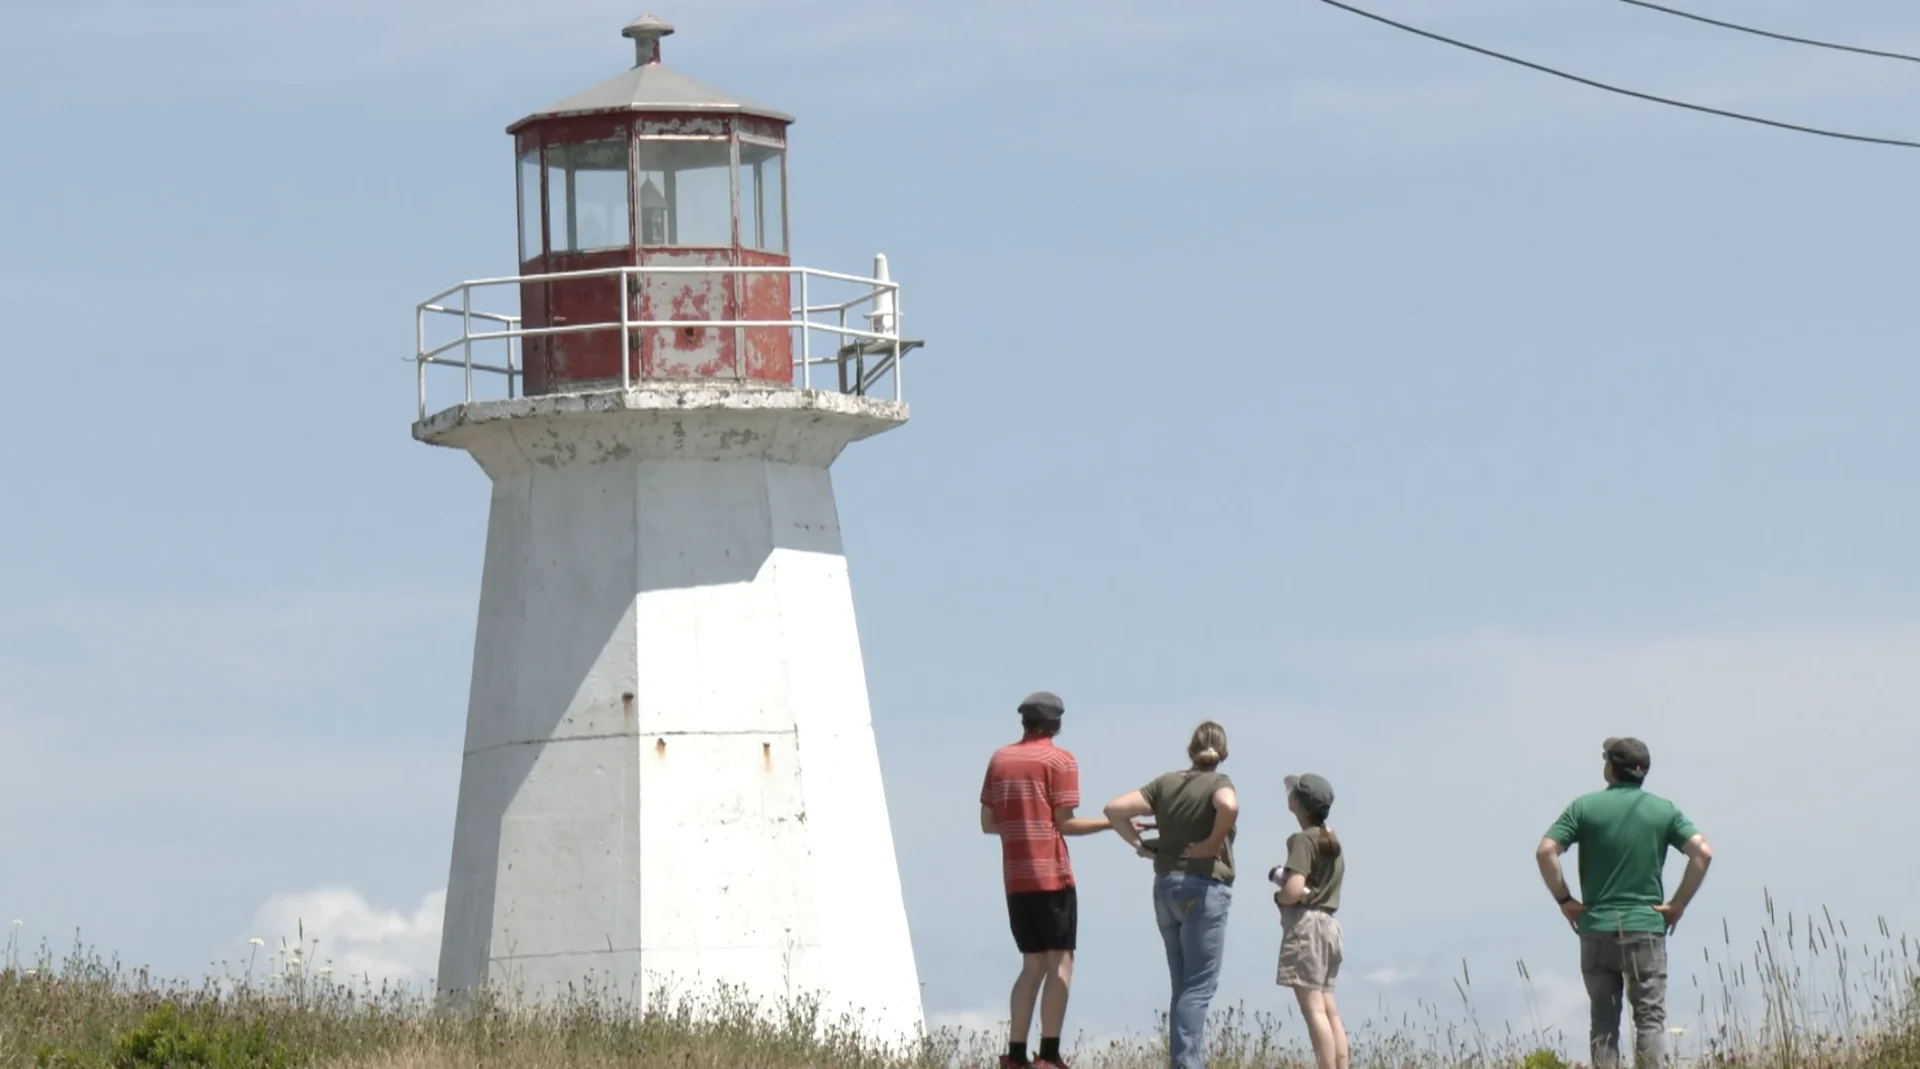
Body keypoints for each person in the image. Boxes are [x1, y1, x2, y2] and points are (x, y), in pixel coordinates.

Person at [1536, 736, 1713, 1069]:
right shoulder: (1664, 810)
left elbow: (1546, 851)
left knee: (1604, 1022)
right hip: (1646, 926)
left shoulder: (1583, 808)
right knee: (1649, 1019)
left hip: (1596, 926)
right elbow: (1702, 852)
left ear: (1610, 769)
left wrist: (1565, 900)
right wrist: (1677, 905)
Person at [980, 691, 1111, 1069]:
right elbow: (1065, 822)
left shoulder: (1000, 759)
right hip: (1051, 875)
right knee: (1061, 964)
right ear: (1056, 724)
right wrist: (1111, 825)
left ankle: (1015, 1054)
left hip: (1015, 879)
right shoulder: (1060, 760)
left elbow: (989, 824)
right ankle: (1049, 1055)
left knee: (1031, 965)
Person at [1103, 721, 1241, 1069]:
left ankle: (1182, 1061)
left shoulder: (1164, 783)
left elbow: (1114, 809)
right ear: (1224, 753)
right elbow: (1229, 806)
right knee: (1198, 988)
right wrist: (1211, 844)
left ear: (1190, 750)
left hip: (1165, 886)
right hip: (1204, 887)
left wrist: (1141, 847)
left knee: (1181, 987)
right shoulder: (1219, 783)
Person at [1269, 772, 1348, 1069]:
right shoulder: (1331, 839)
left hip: (1308, 927)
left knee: (1313, 1010)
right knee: (1329, 1008)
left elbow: (1293, 888)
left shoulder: (1303, 840)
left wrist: (1280, 897)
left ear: (1297, 805)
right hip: (1330, 925)